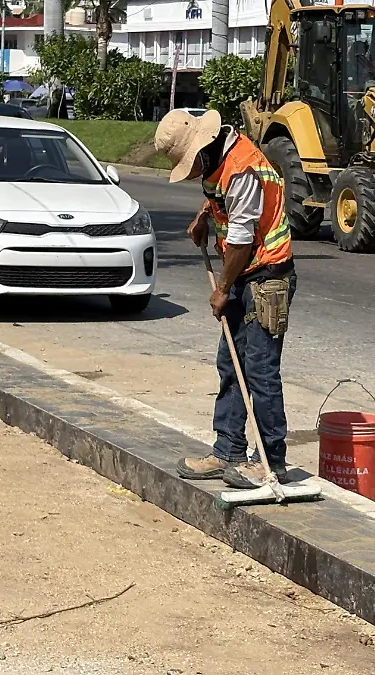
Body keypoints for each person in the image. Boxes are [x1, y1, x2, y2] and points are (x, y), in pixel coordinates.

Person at [153, 109, 297, 490]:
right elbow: (222, 201)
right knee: (230, 363)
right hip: (244, 274)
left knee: (260, 369)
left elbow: (241, 240)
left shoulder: (242, 169)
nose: (192, 173)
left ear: (202, 149)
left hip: (267, 276)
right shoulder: (219, 162)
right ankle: (228, 450)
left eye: (190, 164)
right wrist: (204, 216)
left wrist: (221, 290)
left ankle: (271, 461)